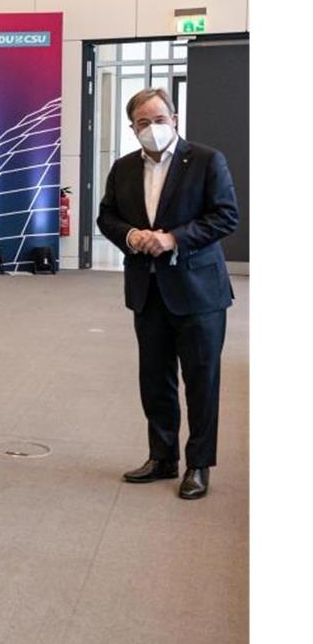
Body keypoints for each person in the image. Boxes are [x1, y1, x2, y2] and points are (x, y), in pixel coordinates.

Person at [97, 87, 239, 500]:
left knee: (201, 380)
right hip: (148, 289)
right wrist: (131, 234)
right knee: (155, 379)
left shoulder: (207, 160)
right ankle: (162, 457)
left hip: (199, 291)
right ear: (132, 128)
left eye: (160, 120)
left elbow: (225, 215)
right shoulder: (123, 169)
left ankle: (198, 465)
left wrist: (174, 238)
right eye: (144, 123)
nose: (153, 128)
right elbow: (107, 216)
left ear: (174, 119)